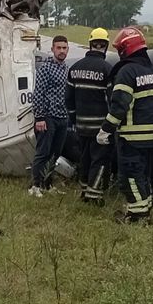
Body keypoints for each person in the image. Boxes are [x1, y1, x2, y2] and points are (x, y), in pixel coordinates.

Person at [97, 27, 153, 223]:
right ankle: (142, 209)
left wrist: (105, 129)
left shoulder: (127, 72)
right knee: (143, 176)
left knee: (130, 177)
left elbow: (119, 106)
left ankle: (138, 217)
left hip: (131, 138)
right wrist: (152, 118)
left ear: (125, 49)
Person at [66, 28, 113, 203]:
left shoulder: (75, 68)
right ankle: (94, 195)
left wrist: (74, 119)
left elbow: (68, 99)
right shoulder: (107, 69)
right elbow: (112, 100)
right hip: (100, 127)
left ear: (90, 44)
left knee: (84, 158)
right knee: (99, 159)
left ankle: (84, 190)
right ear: (105, 46)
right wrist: (111, 124)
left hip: (81, 125)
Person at [29, 35, 70, 197]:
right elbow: (38, 93)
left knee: (55, 154)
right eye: (58, 48)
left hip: (62, 117)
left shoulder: (66, 69)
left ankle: (48, 184)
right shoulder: (45, 68)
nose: (61, 51)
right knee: (43, 153)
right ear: (52, 49)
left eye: (64, 48)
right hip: (47, 117)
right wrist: (39, 117)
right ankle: (35, 186)